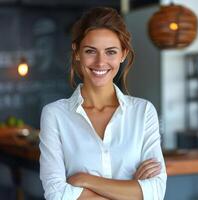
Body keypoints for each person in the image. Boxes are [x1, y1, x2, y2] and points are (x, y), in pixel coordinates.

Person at [39, 7, 167, 200]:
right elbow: (56, 195)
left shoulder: (143, 111)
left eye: (111, 52)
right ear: (77, 52)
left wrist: (85, 180)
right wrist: (131, 190)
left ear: (123, 54)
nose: (100, 62)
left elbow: (156, 191)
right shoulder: (55, 115)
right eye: (91, 51)